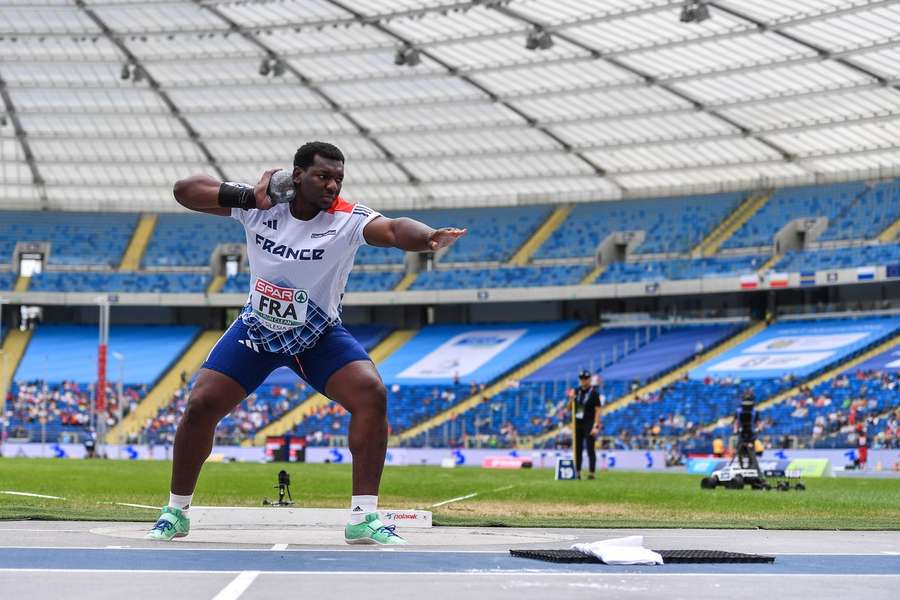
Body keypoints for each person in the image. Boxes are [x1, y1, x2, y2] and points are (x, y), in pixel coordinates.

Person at [146, 141, 465, 545]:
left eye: (338, 179)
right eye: (323, 176)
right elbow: (185, 191)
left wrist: (427, 238)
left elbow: (393, 228)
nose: (333, 186)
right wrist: (248, 195)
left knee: (370, 392)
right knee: (200, 405)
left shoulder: (348, 218)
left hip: (316, 334)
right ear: (297, 175)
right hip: (257, 329)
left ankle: (364, 517)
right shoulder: (261, 206)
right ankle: (176, 511)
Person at [571, 369, 602, 480]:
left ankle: (591, 472)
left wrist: (596, 425)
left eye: (586, 379)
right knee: (577, 448)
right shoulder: (576, 391)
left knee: (590, 448)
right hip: (578, 422)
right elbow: (570, 407)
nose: (583, 381)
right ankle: (578, 472)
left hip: (589, 422)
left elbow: (598, 409)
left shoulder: (593, 392)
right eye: (582, 379)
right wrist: (571, 399)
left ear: (589, 379)